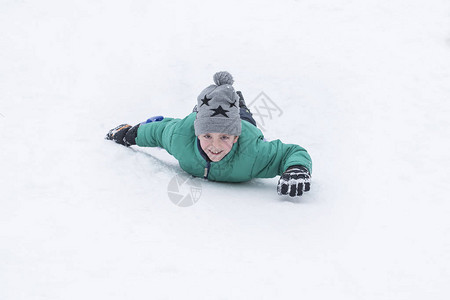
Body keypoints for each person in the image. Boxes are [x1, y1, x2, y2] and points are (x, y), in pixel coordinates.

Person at [106, 71, 312, 197]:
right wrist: (128, 134)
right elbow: (157, 131)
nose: (215, 145)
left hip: (242, 123)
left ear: (235, 138)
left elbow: (290, 152)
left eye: (224, 138)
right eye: (207, 137)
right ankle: (212, 104)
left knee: (242, 116)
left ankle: (237, 103)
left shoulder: (254, 153)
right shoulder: (180, 136)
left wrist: (296, 168)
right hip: (198, 119)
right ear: (196, 134)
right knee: (195, 119)